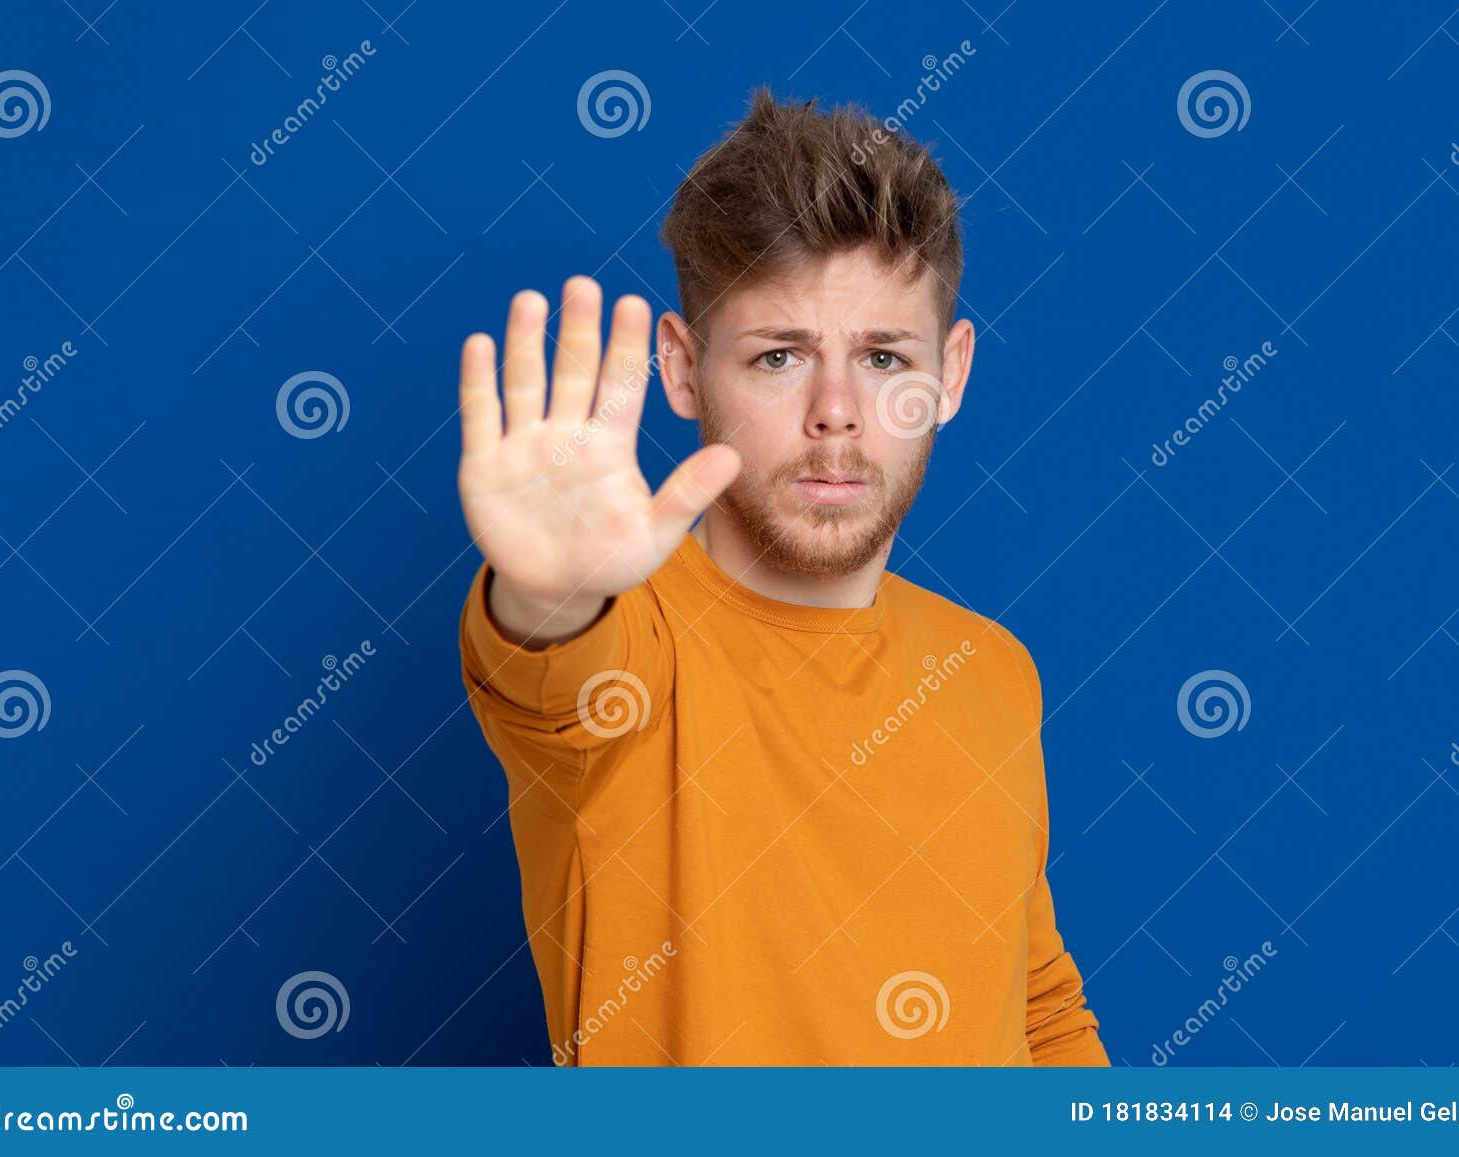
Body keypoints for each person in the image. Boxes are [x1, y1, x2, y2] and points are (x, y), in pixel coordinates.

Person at [456, 88, 1108, 1066]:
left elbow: (1037, 1008)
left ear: (952, 370)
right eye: (777, 357)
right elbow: (550, 672)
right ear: (682, 371)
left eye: (884, 355)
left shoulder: (990, 669)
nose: (835, 411)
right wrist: (551, 590)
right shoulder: (635, 648)